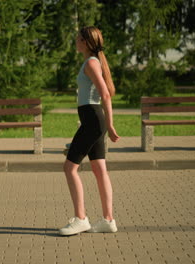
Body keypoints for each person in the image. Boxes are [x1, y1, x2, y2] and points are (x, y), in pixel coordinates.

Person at [59, 26, 120, 236]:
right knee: (99, 170)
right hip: (93, 120)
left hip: (92, 121)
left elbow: (105, 94)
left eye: (78, 37)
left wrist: (109, 125)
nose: (76, 40)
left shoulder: (91, 63)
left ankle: (81, 218)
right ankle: (108, 220)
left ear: (85, 41)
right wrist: (107, 125)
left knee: (69, 168)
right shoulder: (93, 62)